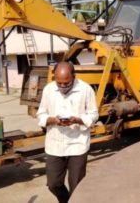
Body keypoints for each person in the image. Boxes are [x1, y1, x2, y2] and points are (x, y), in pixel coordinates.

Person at [37, 62, 98, 203]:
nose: (63, 86)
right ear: (54, 78)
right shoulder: (48, 89)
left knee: (77, 186)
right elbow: (41, 114)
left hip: (77, 144)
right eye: (59, 83)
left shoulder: (85, 89)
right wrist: (53, 120)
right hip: (55, 145)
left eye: (66, 83)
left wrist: (77, 120)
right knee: (53, 184)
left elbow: (93, 114)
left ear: (74, 77)